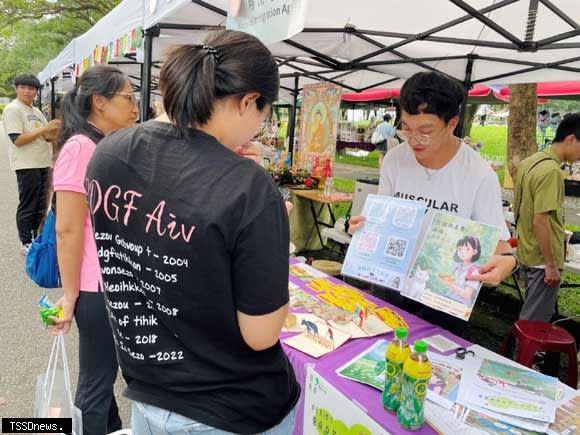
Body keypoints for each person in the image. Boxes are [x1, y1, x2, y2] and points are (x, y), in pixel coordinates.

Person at [86, 31, 299, 435]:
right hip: (232, 410)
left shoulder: (107, 154)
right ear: (249, 101)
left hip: (148, 392)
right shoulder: (250, 189)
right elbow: (261, 334)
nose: (257, 130)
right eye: (263, 116)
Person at [349, 72, 516, 335]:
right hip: (391, 283)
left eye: (425, 131)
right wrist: (365, 226)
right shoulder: (394, 160)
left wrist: (507, 262)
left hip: (443, 297)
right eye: (406, 128)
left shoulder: (479, 175)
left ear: (452, 123)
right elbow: (385, 219)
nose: (414, 139)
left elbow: (502, 248)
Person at [49, 65, 139, 435]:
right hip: (93, 286)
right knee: (95, 385)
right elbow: (67, 229)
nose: (136, 106)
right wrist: (70, 295)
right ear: (99, 102)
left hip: (109, 283)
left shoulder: (103, 144)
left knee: (102, 376)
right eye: (128, 98)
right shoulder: (80, 148)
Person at [513, 113, 580, 322]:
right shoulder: (551, 171)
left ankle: (520, 352)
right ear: (570, 139)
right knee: (534, 321)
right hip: (542, 260)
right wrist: (551, 264)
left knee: (529, 314)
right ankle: (522, 355)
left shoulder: (531, 161)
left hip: (528, 251)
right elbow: (540, 220)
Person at [2, 74, 61, 254]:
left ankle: (36, 236)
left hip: (42, 162)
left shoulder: (35, 111)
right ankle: (25, 241)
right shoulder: (13, 109)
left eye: (31, 88)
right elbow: (17, 139)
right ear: (16, 88)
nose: (27, 91)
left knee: (40, 204)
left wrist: (56, 131)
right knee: (28, 203)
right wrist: (45, 129)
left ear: (36, 91)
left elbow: (46, 135)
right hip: (27, 164)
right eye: (23, 87)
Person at [440, 236, 482, 306]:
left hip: (459, 305)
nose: (463, 252)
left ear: (474, 252)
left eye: (467, 249)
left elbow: (467, 295)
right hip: (447, 300)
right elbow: (452, 286)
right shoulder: (457, 267)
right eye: (460, 249)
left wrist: (449, 285)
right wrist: (446, 281)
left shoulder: (475, 272)